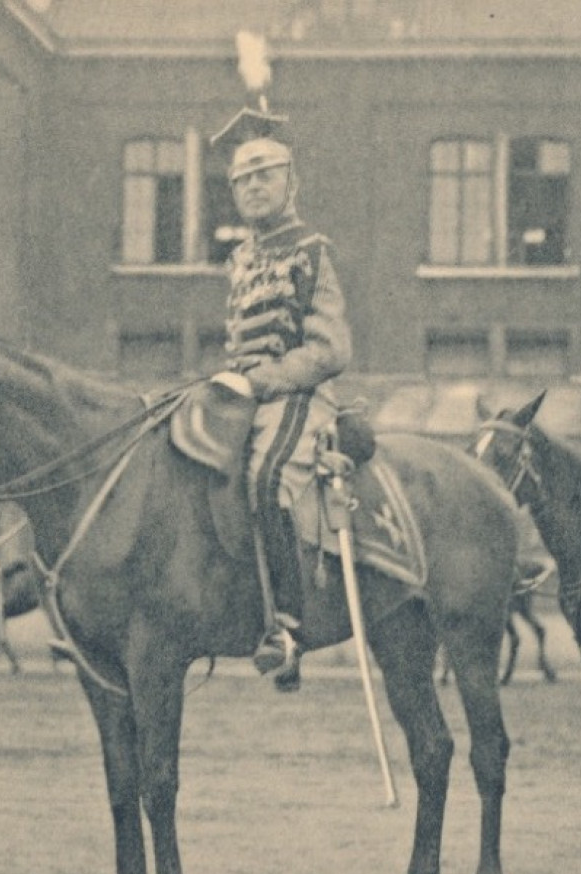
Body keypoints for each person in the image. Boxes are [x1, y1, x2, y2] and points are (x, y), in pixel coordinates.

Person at [208, 103, 352, 687]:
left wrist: (261, 381)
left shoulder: (312, 250)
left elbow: (330, 350)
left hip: (298, 396)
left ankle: (288, 627)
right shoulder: (238, 260)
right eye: (243, 178)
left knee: (266, 478)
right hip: (240, 394)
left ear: (292, 181)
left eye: (264, 173)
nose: (253, 186)